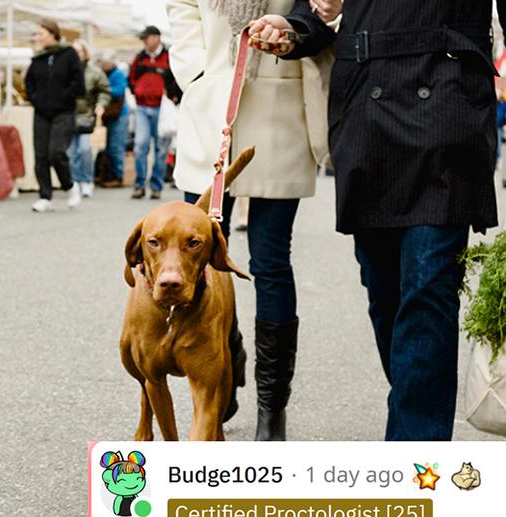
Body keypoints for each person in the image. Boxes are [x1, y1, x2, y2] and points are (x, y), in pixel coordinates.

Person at [252, 0, 506, 441]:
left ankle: (415, 456)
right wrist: (291, 29)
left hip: (448, 100)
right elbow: (318, 11)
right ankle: (415, 406)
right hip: (365, 105)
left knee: (429, 285)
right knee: (384, 289)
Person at [168, 0, 332, 441]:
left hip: (278, 101)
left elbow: (321, 13)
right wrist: (196, 72)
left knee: (271, 260)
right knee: (196, 260)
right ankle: (225, 364)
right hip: (210, 104)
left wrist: (291, 34)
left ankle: (271, 406)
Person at [24, 19, 84, 212]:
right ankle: (44, 196)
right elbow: (29, 83)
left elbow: (78, 82)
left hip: (63, 112)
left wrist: (65, 98)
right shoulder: (38, 58)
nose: (38, 37)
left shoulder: (69, 54)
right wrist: (35, 99)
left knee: (56, 152)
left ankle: (70, 186)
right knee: (40, 154)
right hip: (41, 112)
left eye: (41, 33)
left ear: (53, 33)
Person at [128, 26, 182, 201]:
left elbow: (179, 77)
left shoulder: (169, 57)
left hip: (162, 108)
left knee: (161, 149)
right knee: (140, 145)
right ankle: (139, 185)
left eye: (147, 38)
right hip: (143, 107)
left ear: (157, 38)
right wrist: (137, 91)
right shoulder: (139, 58)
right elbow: (131, 78)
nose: (144, 41)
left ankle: (156, 186)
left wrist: (172, 95)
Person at [67, 41, 111, 199]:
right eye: (74, 51)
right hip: (68, 116)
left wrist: (101, 104)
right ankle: (75, 182)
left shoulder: (94, 71)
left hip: (87, 117)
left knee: (84, 149)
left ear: (85, 53)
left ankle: (87, 180)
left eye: (80, 51)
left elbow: (105, 90)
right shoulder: (66, 70)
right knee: (71, 152)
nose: (77, 54)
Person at [98, 54, 130, 188]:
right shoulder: (103, 73)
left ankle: (119, 176)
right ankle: (109, 175)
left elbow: (119, 91)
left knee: (116, 147)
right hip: (109, 116)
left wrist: (104, 90)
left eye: (106, 63)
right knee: (109, 148)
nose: (103, 65)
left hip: (119, 115)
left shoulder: (118, 74)